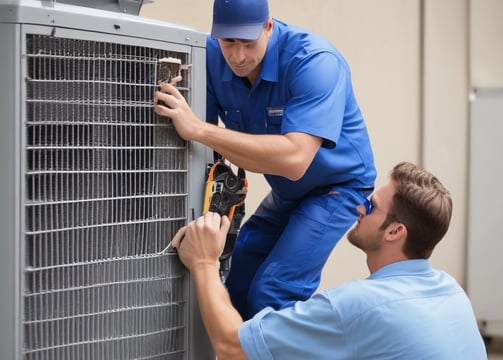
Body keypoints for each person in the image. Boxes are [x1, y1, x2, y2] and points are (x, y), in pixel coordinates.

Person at [154, 0, 376, 320]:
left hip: (338, 186)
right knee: (236, 285)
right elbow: (202, 154)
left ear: (268, 27)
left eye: (248, 42)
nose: (238, 56)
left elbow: (295, 159)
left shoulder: (314, 61)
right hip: (287, 190)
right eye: (229, 42)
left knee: (272, 292)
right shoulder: (209, 56)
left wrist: (200, 129)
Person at [170, 161, 487, 360]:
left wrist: (204, 263)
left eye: (371, 205)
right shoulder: (452, 293)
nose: (359, 208)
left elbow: (231, 349)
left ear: (395, 231)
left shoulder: (358, 306)